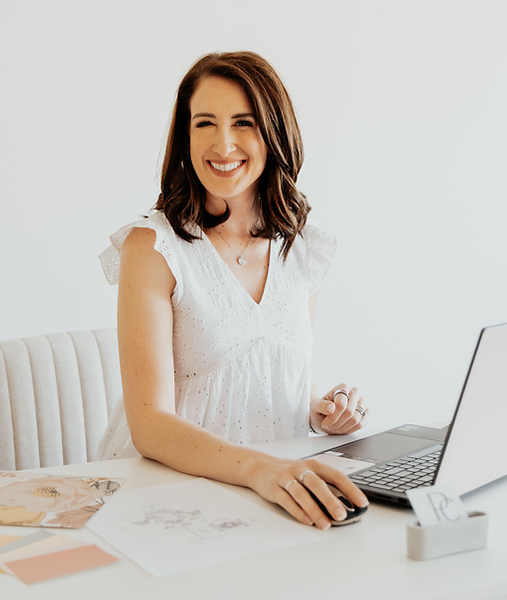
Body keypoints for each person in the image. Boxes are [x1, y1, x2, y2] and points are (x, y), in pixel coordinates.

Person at [98, 51, 369, 529]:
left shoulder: (302, 246)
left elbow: (276, 379)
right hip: (166, 496)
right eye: (204, 123)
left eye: (243, 122)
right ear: (185, 136)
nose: (223, 144)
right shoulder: (154, 248)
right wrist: (261, 471)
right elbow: (150, 425)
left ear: (274, 132)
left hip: (275, 494)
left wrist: (322, 412)